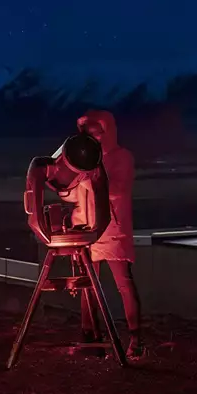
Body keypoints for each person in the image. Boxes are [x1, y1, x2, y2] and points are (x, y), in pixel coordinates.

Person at [75, 108, 143, 359]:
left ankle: (135, 338)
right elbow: (76, 194)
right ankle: (91, 339)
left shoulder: (122, 157)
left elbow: (116, 190)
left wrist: (92, 174)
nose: (94, 136)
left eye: (97, 131)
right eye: (89, 132)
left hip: (112, 231)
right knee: (88, 287)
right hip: (89, 230)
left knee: (123, 284)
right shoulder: (84, 160)